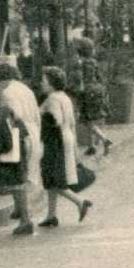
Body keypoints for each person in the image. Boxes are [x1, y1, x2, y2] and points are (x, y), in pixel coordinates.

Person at [0, 59, 42, 236]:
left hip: (19, 135)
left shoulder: (7, 92)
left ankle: (25, 220)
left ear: (2, 80)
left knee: (17, 178)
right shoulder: (26, 89)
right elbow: (36, 115)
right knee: (24, 176)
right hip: (34, 133)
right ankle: (19, 210)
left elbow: (13, 116)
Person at [39, 65, 93, 226]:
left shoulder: (53, 99)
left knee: (54, 179)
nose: (41, 83)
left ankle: (80, 202)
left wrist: (42, 119)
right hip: (67, 138)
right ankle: (51, 216)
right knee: (52, 178)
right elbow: (71, 123)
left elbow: (55, 119)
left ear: (51, 83)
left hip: (56, 141)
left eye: (43, 80)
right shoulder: (65, 97)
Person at [70, 38, 113, 158]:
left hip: (87, 92)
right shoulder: (94, 62)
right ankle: (91, 146)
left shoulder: (79, 63)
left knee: (86, 120)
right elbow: (100, 77)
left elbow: (78, 80)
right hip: (97, 90)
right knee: (92, 119)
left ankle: (105, 140)